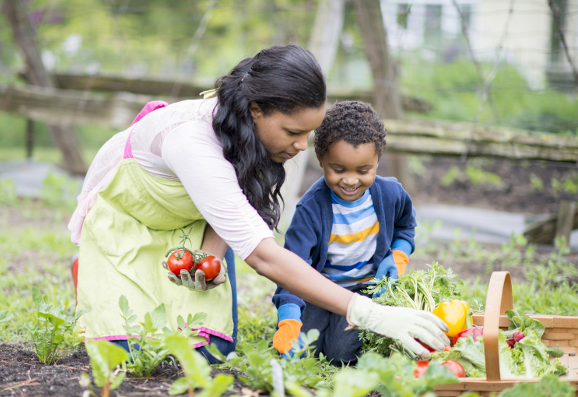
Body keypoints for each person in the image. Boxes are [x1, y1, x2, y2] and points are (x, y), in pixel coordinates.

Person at [69, 45, 449, 364]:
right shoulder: (191, 142)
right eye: (293, 132)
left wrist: (208, 259)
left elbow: (226, 202)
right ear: (256, 111)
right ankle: (91, 268)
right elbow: (263, 256)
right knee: (135, 355)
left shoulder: (249, 135)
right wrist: (370, 312)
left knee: (209, 352)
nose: (303, 146)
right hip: (130, 220)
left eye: (308, 133)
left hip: (187, 220)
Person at [271, 101, 419, 364]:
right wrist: (289, 320)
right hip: (318, 291)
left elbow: (406, 227)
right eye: (338, 170)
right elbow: (291, 267)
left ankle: (340, 332)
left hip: (362, 293)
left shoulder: (390, 195)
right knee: (301, 349)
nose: (351, 181)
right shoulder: (310, 208)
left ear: (377, 161)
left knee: (340, 354)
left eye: (364, 170)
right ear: (321, 159)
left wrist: (398, 256)